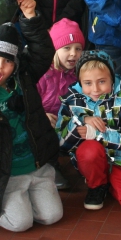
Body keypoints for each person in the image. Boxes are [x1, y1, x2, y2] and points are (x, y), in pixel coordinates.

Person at [0, 13, 67, 232]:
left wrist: (30, 18)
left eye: (8, 61)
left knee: (52, 216)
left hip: (37, 168)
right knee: (20, 223)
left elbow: (43, 51)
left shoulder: (24, 80)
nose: (0, 66)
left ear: (15, 66)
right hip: (7, 173)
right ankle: (1, 201)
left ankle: (28, 196)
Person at [56, 50, 121, 212]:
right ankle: (97, 185)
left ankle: (109, 183)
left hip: (119, 160)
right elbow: (61, 143)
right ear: (80, 82)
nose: (95, 89)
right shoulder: (71, 100)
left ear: (112, 78)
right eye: (88, 83)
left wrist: (96, 134)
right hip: (91, 161)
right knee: (90, 150)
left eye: (102, 81)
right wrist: (81, 121)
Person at [37, 17, 84, 191]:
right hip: (43, 123)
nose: (73, 54)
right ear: (55, 49)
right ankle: (49, 167)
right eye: (67, 48)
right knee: (42, 133)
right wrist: (41, 115)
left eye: (78, 48)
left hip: (67, 123)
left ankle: (82, 162)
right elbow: (27, 103)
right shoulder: (42, 74)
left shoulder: (79, 74)